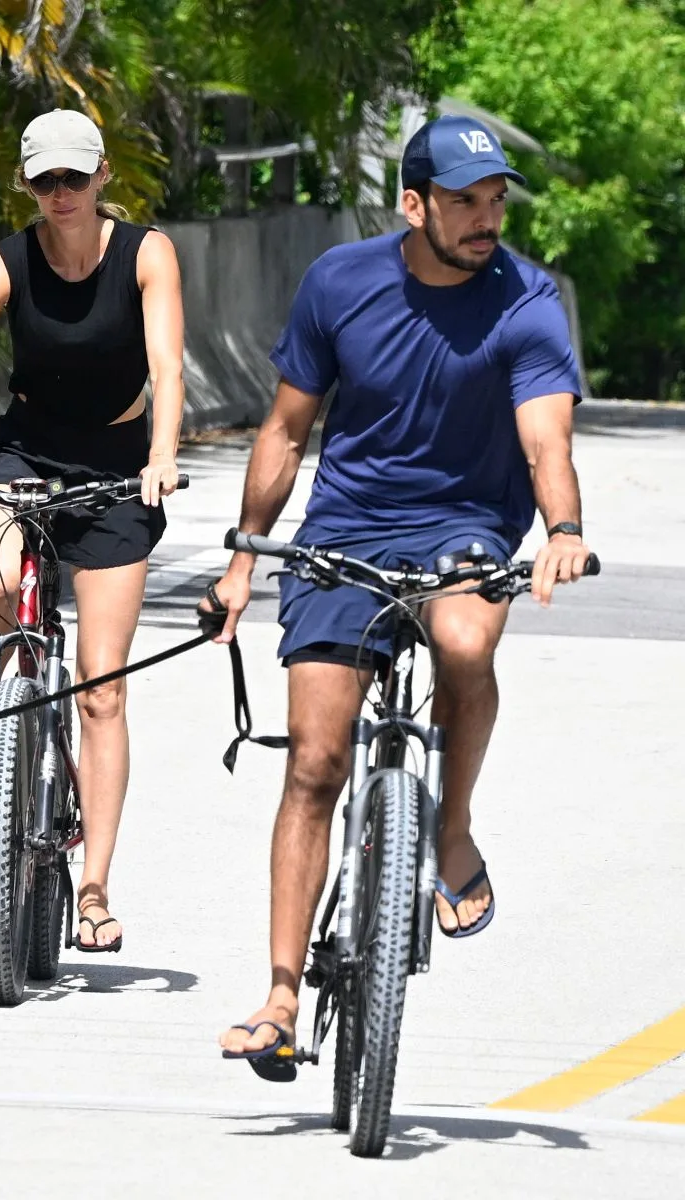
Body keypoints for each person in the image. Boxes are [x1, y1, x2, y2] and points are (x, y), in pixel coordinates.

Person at [206, 115, 594, 1060]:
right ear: (413, 204)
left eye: (496, 199)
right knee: (314, 761)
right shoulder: (340, 284)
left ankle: (450, 833)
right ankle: (281, 996)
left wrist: (565, 531)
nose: (486, 217)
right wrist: (246, 560)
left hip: (466, 523)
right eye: (464, 201)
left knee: (465, 643)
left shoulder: (528, 300)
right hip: (344, 529)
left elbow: (547, 439)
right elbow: (287, 429)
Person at [0, 108, 185, 953]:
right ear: (26, 182)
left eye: (73, 179)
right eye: (44, 180)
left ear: (100, 179)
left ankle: (93, 889)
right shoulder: (5, 262)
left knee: (103, 686)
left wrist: (161, 454)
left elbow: (166, 366)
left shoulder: (146, 255)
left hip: (121, 459)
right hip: (27, 447)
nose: (60, 195)